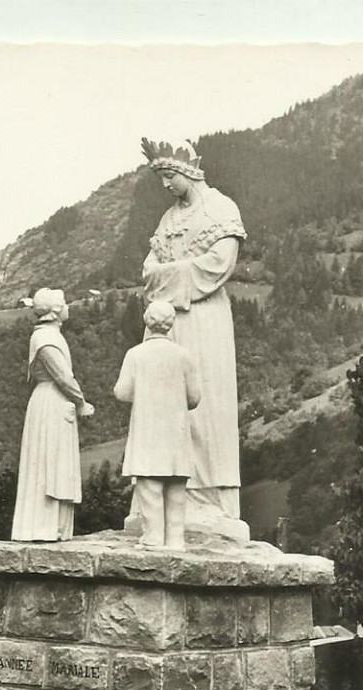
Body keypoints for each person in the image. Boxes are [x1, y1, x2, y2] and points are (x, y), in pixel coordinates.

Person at [139, 137, 248, 541]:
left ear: (187, 172)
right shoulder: (168, 218)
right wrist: (168, 277)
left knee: (205, 405)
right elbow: (147, 268)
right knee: (164, 409)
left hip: (203, 320)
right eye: (162, 177)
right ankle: (161, 506)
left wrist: (167, 277)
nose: (165, 185)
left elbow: (218, 266)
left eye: (169, 176)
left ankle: (209, 502)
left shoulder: (221, 209)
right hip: (168, 322)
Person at [114, 300, 201, 549]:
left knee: (150, 486)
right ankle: (175, 539)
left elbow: (121, 392)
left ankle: (153, 537)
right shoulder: (184, 356)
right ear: (170, 323)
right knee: (176, 489)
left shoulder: (135, 354)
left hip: (148, 430)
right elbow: (194, 398)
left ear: (147, 322)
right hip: (175, 431)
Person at [11, 288, 94, 541]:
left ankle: (55, 527)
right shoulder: (46, 338)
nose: (68, 307)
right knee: (49, 464)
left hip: (53, 402)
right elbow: (63, 376)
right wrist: (81, 402)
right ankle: (43, 527)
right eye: (65, 303)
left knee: (54, 463)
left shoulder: (49, 336)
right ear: (56, 310)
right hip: (51, 402)